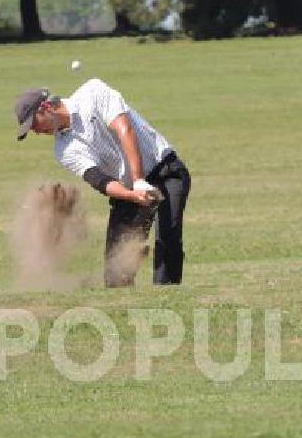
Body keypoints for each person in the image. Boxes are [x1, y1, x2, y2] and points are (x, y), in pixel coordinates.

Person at [14, 78, 191, 287]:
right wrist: (133, 194)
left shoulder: (92, 92)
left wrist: (139, 180)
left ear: (45, 108)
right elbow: (99, 180)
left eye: (34, 123)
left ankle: (166, 296)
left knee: (168, 237)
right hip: (127, 190)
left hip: (165, 170)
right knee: (116, 272)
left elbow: (124, 129)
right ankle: (122, 309)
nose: (35, 131)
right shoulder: (63, 150)